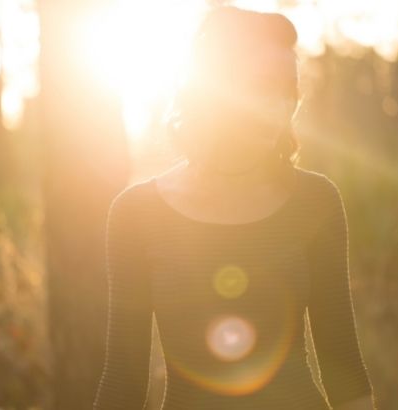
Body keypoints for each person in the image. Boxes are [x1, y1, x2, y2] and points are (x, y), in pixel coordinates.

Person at [93, 5, 376, 410]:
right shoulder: (136, 214)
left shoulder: (316, 201)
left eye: (288, 90)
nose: (279, 106)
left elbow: (344, 370)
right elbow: (124, 382)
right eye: (262, 86)